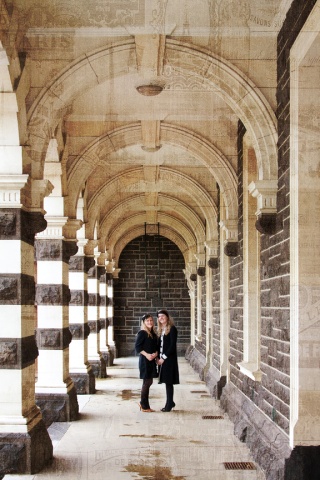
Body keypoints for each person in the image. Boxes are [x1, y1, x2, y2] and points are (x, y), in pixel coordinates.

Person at [156, 309, 180, 412]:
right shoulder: (160, 329)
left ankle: (169, 405)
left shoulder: (172, 329)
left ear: (167, 317)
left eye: (162, 316)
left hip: (169, 360)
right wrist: (157, 356)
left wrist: (163, 358)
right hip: (162, 359)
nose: (161, 318)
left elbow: (172, 346)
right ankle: (170, 402)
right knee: (166, 381)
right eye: (159, 316)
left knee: (168, 382)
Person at [135, 313, 158, 412]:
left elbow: (156, 346)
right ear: (144, 322)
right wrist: (147, 355)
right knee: (147, 381)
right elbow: (138, 347)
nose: (149, 322)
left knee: (148, 381)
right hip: (145, 361)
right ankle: (143, 405)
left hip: (151, 360)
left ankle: (144, 404)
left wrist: (156, 354)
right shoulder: (142, 333)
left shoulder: (152, 333)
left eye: (151, 320)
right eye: (147, 321)